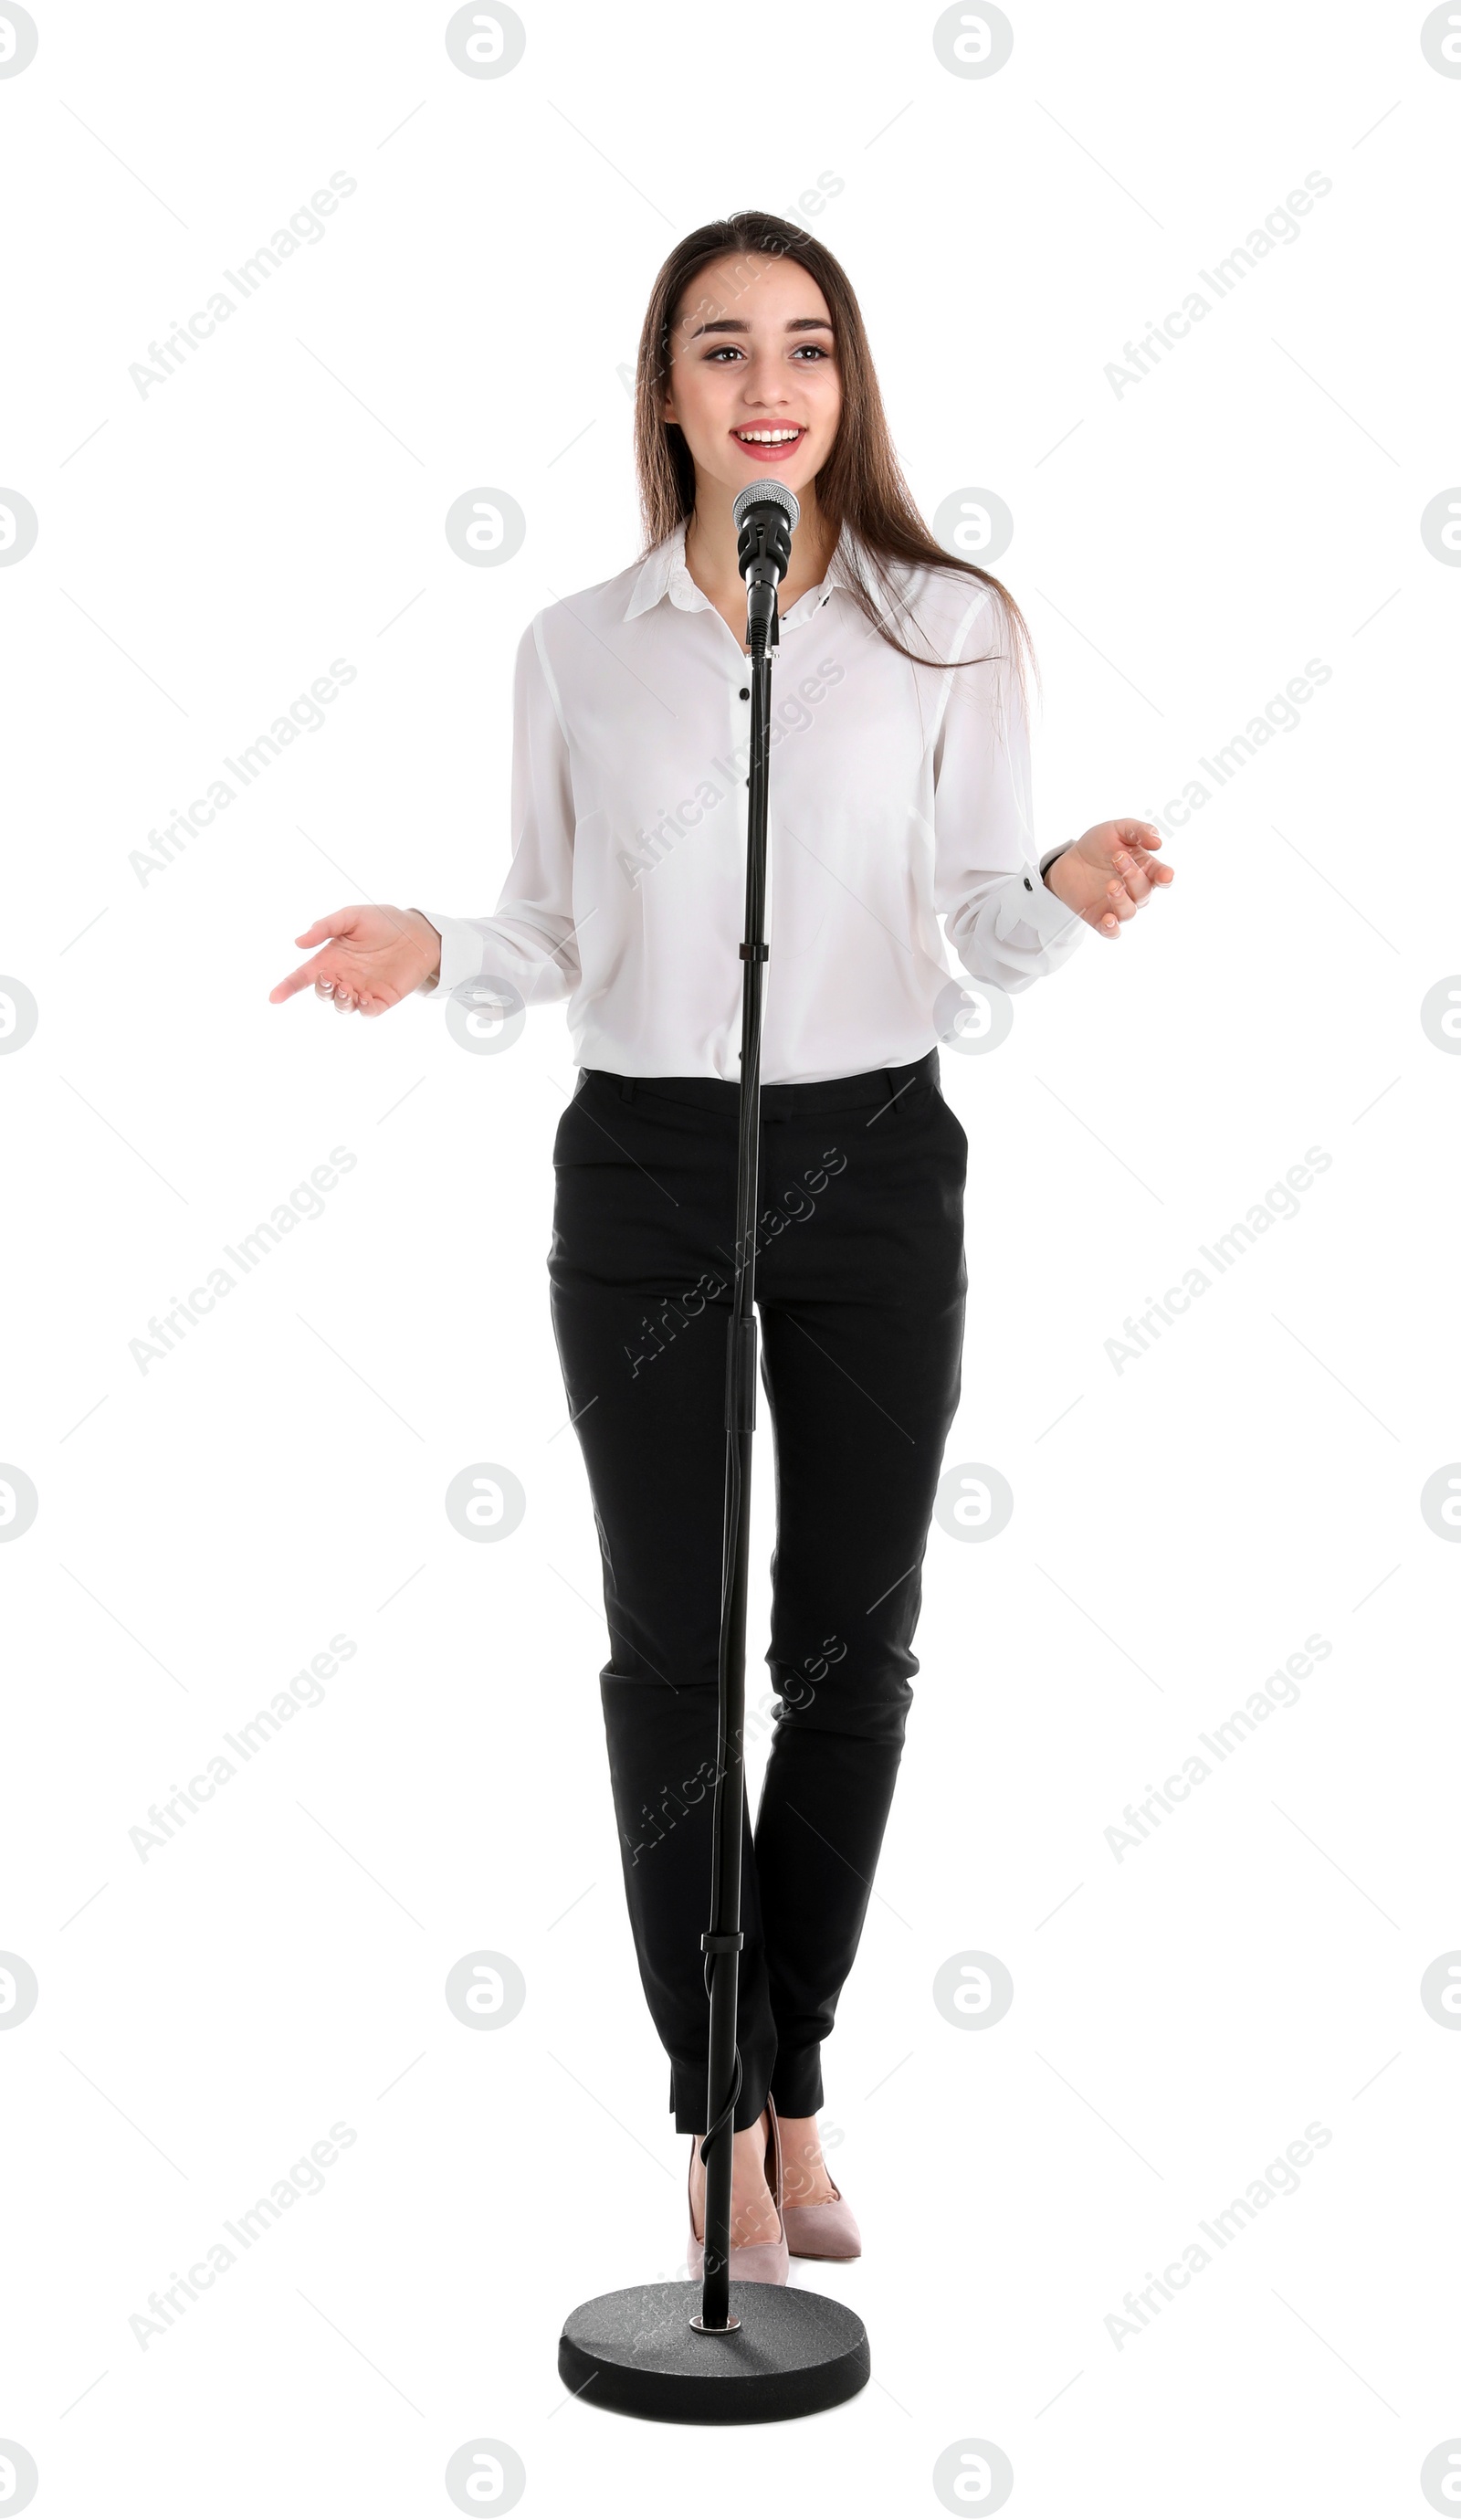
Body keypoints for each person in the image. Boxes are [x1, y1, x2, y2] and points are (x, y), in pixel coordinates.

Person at [269, 212, 1172, 2284]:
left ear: (845, 388)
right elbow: (557, 928)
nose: (766, 383)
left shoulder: (948, 623)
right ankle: (712, 2121)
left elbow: (977, 921)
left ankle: (792, 2071)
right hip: (649, 1178)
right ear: (663, 392)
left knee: (842, 1660)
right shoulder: (576, 648)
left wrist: (1062, 876)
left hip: (873, 1160)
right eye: (718, 349)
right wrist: (432, 949)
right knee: (667, 1664)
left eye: (804, 347)